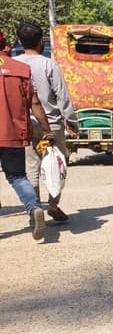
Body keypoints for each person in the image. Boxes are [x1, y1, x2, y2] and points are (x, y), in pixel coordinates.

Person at [13, 22, 76, 222]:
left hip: (25, 124)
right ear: (41, 42)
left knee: (31, 167)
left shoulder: (14, 65)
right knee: (58, 164)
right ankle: (53, 203)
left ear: (20, 42)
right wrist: (71, 120)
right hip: (53, 124)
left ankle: (34, 210)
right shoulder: (49, 64)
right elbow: (62, 96)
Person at [1, 43, 55, 241]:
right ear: (4, 47)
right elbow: (34, 103)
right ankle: (33, 208)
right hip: (12, 132)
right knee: (17, 176)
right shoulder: (20, 70)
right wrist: (47, 130)